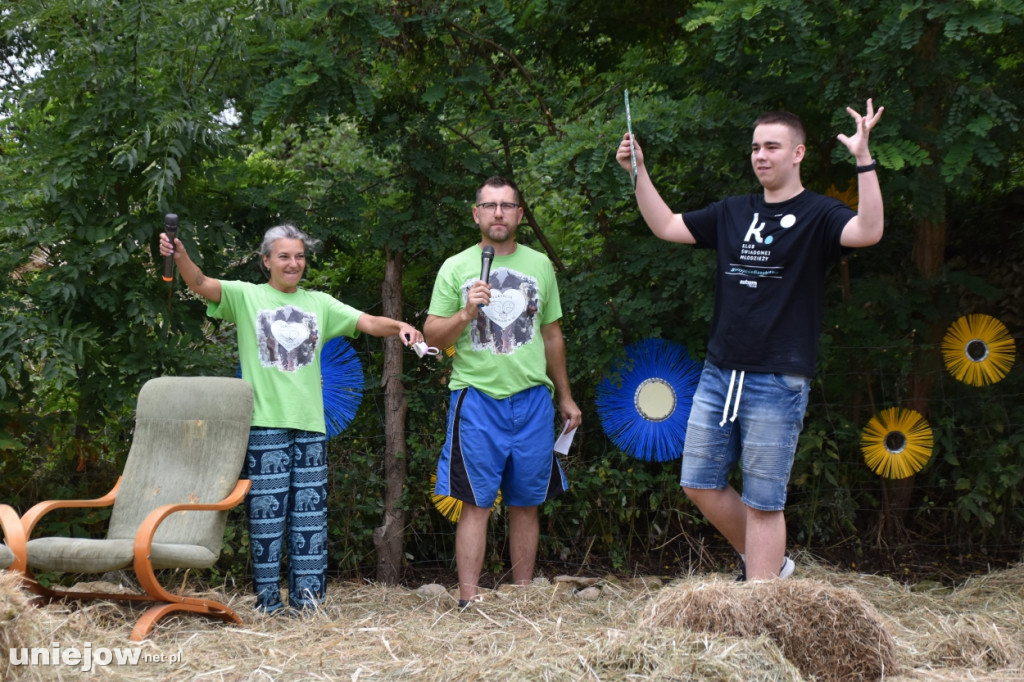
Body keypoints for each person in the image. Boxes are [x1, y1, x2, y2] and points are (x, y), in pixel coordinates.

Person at [615, 100, 884, 581]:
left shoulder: (819, 214)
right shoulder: (733, 212)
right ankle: (772, 567)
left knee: (764, 501)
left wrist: (864, 158)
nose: (761, 155)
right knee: (698, 483)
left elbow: (869, 231)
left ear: (797, 153)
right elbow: (666, 226)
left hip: (778, 378)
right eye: (756, 147)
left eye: (772, 147)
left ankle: (761, 602)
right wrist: (638, 171)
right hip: (721, 372)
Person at [159, 223, 423, 613]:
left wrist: (400, 325)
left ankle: (309, 605)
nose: (293, 262)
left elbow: (367, 321)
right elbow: (199, 282)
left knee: (310, 522)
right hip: (264, 426)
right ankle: (268, 605)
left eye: (299, 256)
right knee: (267, 521)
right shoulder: (246, 296)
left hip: (311, 428)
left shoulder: (320, 303)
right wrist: (179, 255)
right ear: (266, 260)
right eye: (284, 255)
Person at [425, 176, 583, 607]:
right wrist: (465, 312)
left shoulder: (540, 266)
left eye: (507, 206)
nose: (498, 213)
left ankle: (523, 598)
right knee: (476, 503)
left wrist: (564, 396)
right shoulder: (455, 267)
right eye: (489, 206)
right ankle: (469, 601)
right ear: (476, 214)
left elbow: (552, 335)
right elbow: (432, 338)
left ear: (519, 215)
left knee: (527, 501)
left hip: (533, 400)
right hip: (475, 400)